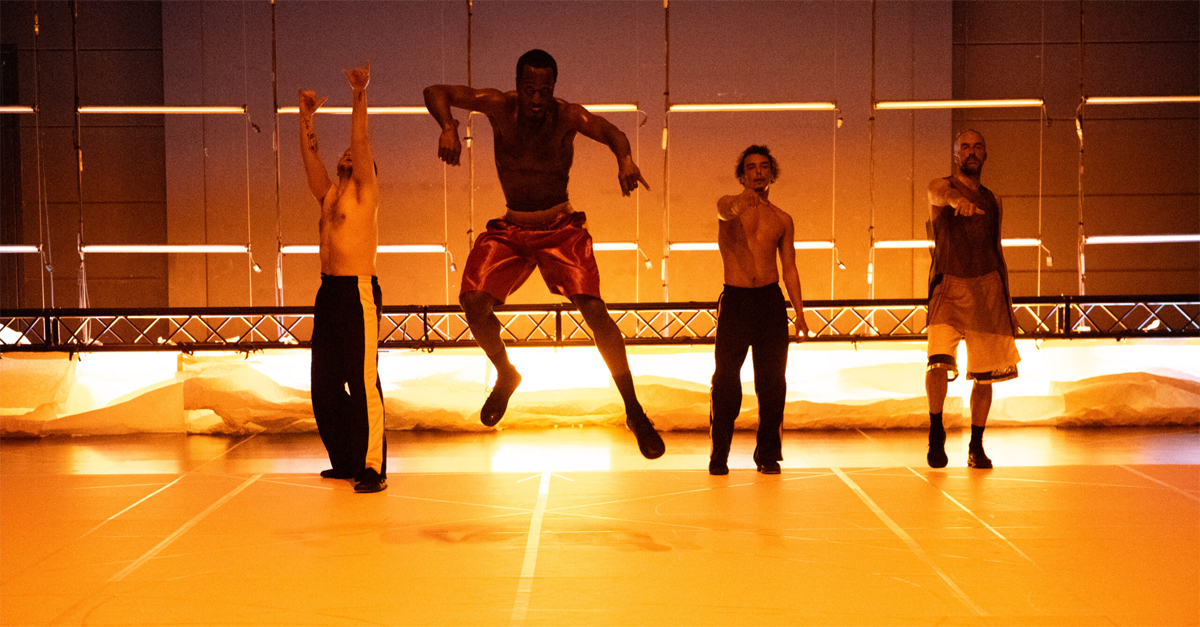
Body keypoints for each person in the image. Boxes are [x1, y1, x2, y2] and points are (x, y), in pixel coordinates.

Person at [423, 49, 664, 459]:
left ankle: (633, 409)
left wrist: (624, 159)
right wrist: (447, 126)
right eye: (529, 90)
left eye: (545, 91)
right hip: (513, 228)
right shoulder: (499, 106)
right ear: (517, 87)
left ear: (554, 89)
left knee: (592, 308)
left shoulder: (567, 116)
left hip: (558, 228)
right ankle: (505, 374)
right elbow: (435, 90)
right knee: (473, 302)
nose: (536, 100)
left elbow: (611, 132)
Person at [299, 62, 387, 493]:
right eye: (345, 155)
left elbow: (361, 138)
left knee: (362, 378)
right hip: (328, 292)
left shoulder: (364, 192)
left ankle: (372, 466)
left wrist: (359, 92)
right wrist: (306, 118)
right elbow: (311, 159)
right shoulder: (330, 196)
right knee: (324, 383)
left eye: (356, 157)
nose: (348, 155)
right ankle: (346, 459)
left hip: (357, 291)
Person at [709, 145, 809, 476]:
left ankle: (767, 453)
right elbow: (724, 210)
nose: (758, 172)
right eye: (751, 167)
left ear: (771, 174)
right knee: (726, 381)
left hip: (769, 301)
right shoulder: (730, 206)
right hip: (736, 300)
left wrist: (799, 312)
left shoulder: (782, 218)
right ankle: (719, 451)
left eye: (764, 167)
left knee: (772, 382)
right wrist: (740, 202)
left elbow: (790, 267)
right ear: (742, 175)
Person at [925, 129, 1020, 470]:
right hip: (948, 285)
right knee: (938, 362)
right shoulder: (942, 186)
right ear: (955, 153)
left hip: (987, 288)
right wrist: (957, 202)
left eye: (978, 146)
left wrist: (1007, 304)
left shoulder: (994, 200)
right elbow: (939, 193)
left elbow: (998, 250)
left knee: (985, 375)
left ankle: (976, 445)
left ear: (985, 154)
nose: (971, 152)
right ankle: (936, 431)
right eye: (965, 146)